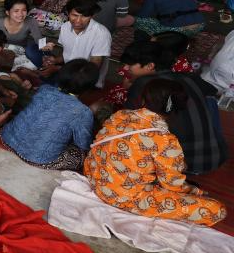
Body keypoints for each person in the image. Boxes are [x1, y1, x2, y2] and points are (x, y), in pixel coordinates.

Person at [84, 79, 227, 226]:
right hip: (123, 197)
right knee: (216, 210)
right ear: (176, 109)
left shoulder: (120, 115)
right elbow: (172, 184)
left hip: (95, 179)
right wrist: (195, 191)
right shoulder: (165, 140)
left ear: (143, 99)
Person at [124, 41, 227, 174]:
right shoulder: (189, 77)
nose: (126, 68)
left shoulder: (143, 83)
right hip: (214, 158)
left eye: (130, 64)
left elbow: (127, 123)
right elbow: (212, 91)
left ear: (150, 66)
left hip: (179, 164)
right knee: (209, 100)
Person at [1, 59, 99, 171]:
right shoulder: (83, 111)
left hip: (7, 139)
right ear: (88, 87)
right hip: (35, 158)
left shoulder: (44, 89)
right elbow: (83, 144)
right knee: (81, 155)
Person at [42, 0, 112, 86]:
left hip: (84, 80)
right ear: (68, 13)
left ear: (92, 16)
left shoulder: (101, 33)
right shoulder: (65, 27)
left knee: (49, 87)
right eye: (74, 15)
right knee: (39, 69)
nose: (78, 21)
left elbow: (92, 69)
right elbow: (67, 53)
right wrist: (55, 60)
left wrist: (57, 69)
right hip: (66, 69)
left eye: (84, 16)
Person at [0, 0, 43, 68]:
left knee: (32, 52)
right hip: (2, 51)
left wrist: (45, 46)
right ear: (7, 12)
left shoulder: (31, 21)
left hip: (22, 51)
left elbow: (40, 41)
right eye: (16, 11)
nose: (21, 14)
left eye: (24, 10)